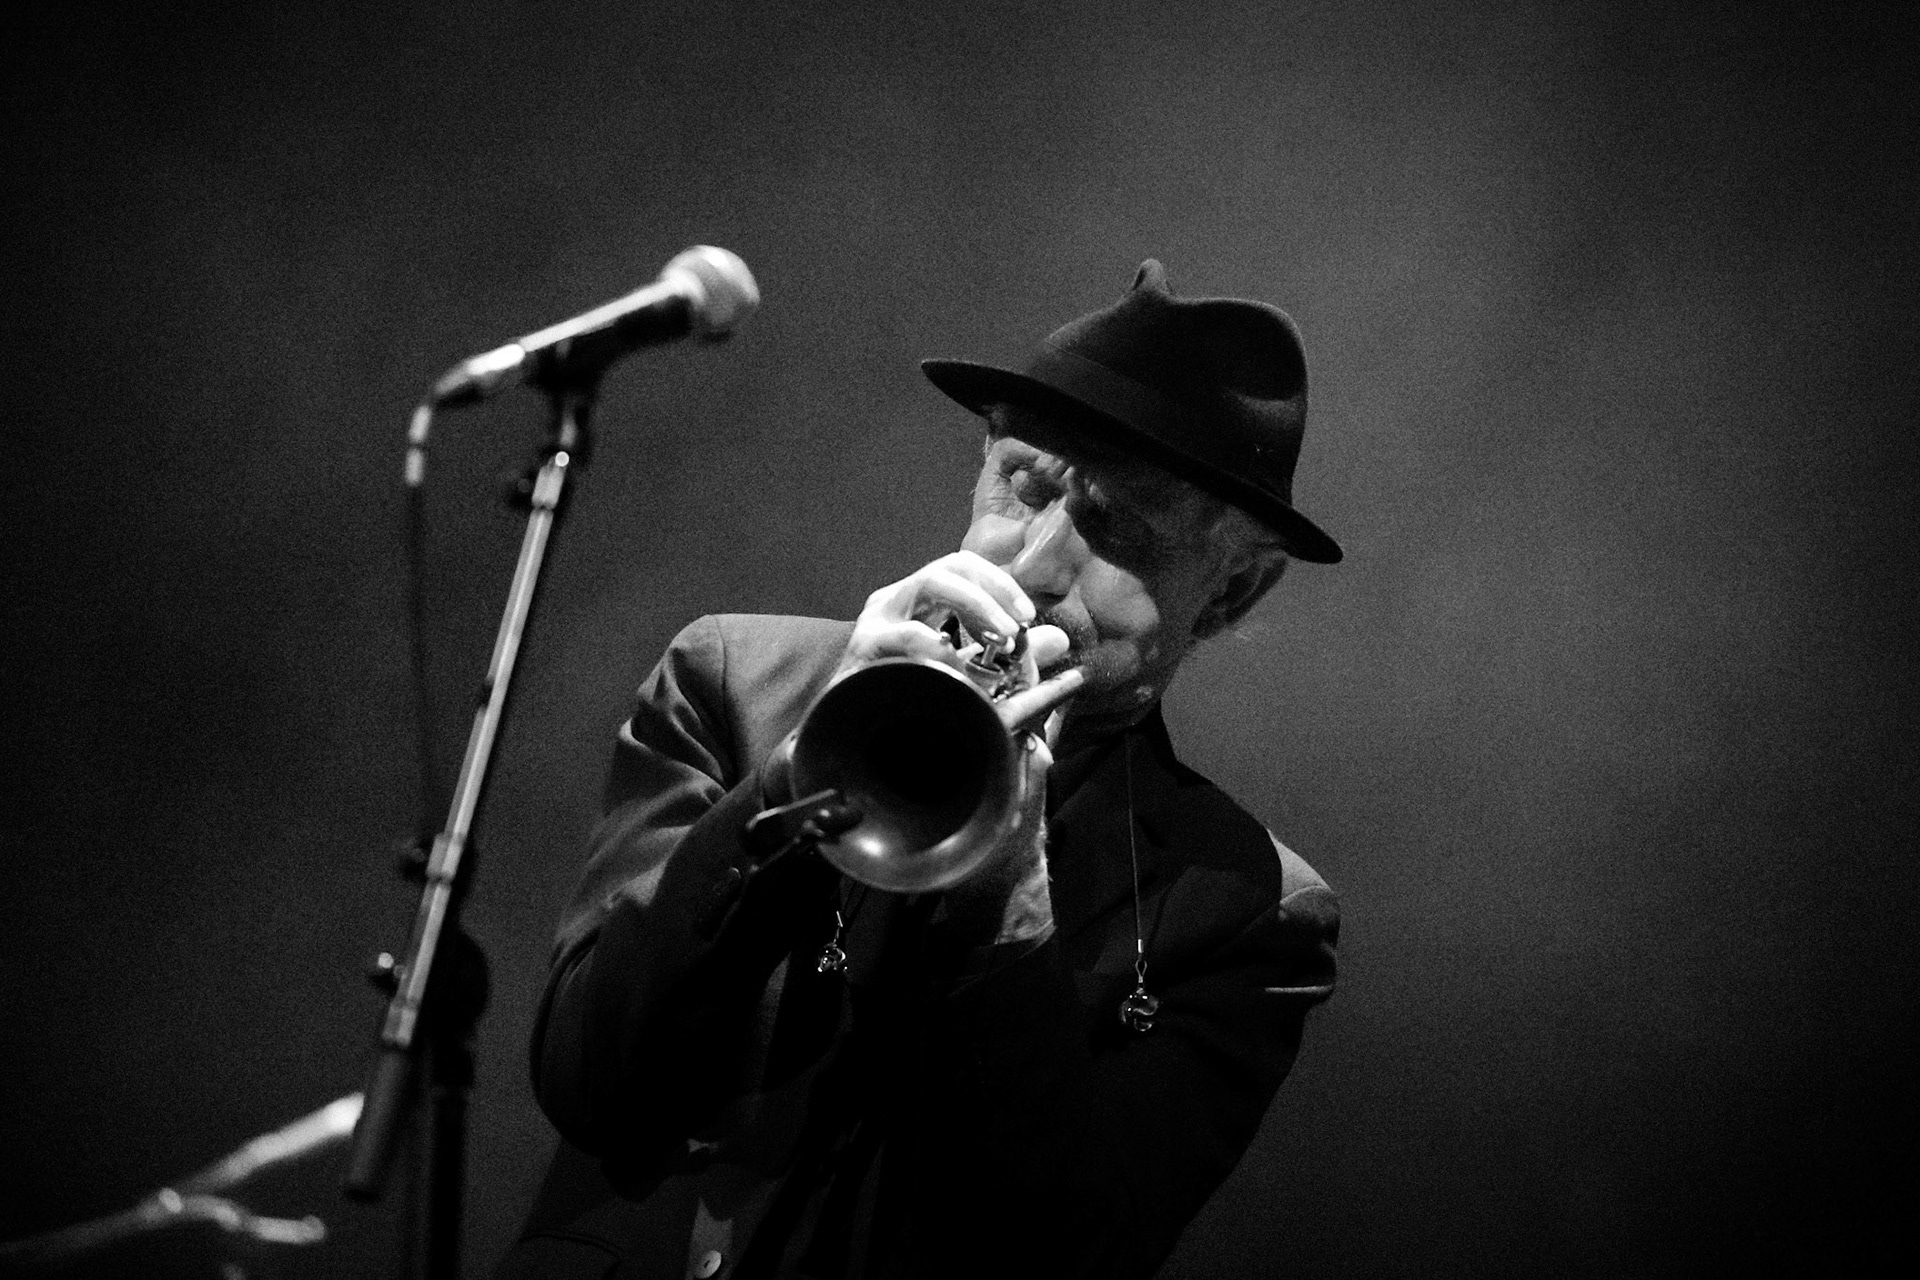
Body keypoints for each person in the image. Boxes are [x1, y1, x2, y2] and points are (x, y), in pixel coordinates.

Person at [496, 260, 1343, 1280]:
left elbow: (1064, 1255)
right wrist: (801, 772)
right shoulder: (733, 678)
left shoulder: (1249, 909)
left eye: (1120, 529)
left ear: (1232, 590)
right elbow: (590, 1077)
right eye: (1021, 486)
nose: (1030, 564)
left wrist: (1010, 902)